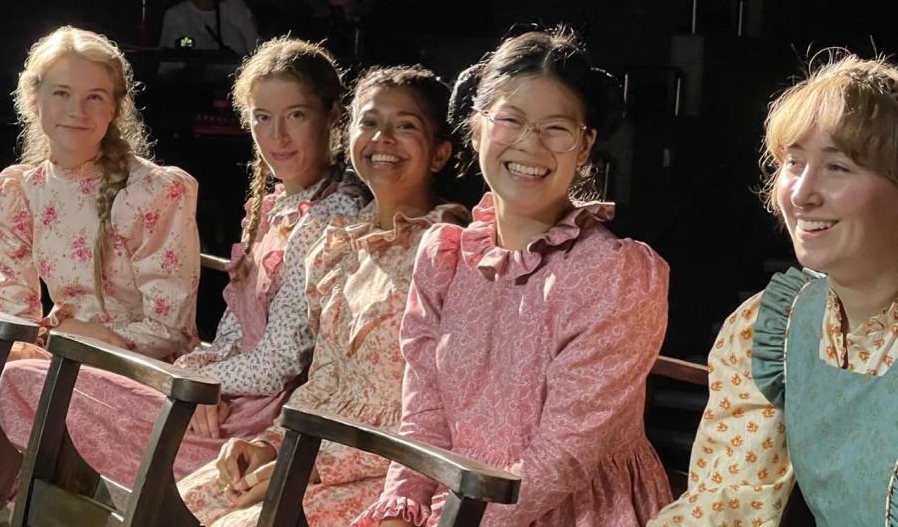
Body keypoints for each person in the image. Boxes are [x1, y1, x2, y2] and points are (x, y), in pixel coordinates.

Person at [0, 36, 366, 488]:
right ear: (33, 99)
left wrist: (192, 379)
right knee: (14, 374)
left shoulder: (332, 216)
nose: (277, 136)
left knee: (17, 381)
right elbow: (233, 332)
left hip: (225, 396)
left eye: (296, 116)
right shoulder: (276, 206)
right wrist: (198, 373)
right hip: (199, 379)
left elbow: (274, 359)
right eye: (263, 118)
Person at [356, 27, 671, 526]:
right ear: (476, 128)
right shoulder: (443, 256)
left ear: (585, 143)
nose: (530, 145)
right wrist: (401, 508)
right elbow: (423, 417)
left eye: (556, 128)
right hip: (456, 504)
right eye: (510, 120)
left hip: (574, 511)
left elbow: (565, 457)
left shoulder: (614, 274)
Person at [178, 65, 470, 525]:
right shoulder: (336, 247)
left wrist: (307, 467)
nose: (383, 138)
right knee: (174, 505)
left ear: (439, 154)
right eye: (369, 123)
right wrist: (268, 444)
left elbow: (438, 416)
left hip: (390, 474)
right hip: (309, 452)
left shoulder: (450, 251)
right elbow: (325, 386)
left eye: (406, 126)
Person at [647, 54, 898, 527]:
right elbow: (726, 504)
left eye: (838, 167)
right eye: (793, 163)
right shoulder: (775, 325)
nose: (802, 193)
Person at [0, 25, 200, 361]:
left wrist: (79, 337)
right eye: (61, 93)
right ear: (34, 101)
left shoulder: (154, 192)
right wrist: (52, 338)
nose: (78, 111)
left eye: (95, 96)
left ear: (113, 109)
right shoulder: (20, 191)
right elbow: (13, 316)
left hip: (140, 370)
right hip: (54, 360)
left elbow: (170, 333)